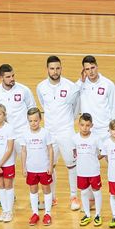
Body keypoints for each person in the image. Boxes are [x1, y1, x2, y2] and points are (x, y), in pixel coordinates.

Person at [35, 55, 81, 209]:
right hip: (49, 133)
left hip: (66, 132)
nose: (55, 71)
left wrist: (67, 122)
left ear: (61, 68)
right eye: (52, 68)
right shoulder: (41, 87)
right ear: (47, 69)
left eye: (57, 68)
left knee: (72, 165)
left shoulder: (71, 87)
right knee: (50, 165)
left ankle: (74, 196)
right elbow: (43, 104)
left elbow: (76, 109)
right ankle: (52, 197)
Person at [21, 107, 55, 226]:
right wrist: (23, 167)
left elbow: (50, 149)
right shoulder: (25, 134)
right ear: (27, 121)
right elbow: (24, 151)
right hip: (31, 168)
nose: (33, 123)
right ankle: (35, 213)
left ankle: (48, 213)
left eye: (35, 120)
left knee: (46, 189)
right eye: (30, 121)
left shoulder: (45, 133)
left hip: (44, 168)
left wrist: (50, 165)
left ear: (40, 119)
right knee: (33, 190)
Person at [78, 55, 115, 146]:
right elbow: (70, 96)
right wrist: (81, 81)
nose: (91, 71)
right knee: (89, 159)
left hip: (105, 130)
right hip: (88, 130)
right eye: (87, 69)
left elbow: (114, 107)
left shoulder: (108, 84)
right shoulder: (80, 85)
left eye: (92, 67)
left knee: (110, 159)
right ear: (84, 71)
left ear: (97, 66)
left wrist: (114, 127)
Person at [0, 64, 34, 145]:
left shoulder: (24, 90)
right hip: (5, 133)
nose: (12, 79)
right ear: (1, 77)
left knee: (27, 158)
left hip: (23, 133)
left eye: (13, 75)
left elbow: (32, 109)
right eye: (8, 77)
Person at [75, 113, 103, 227]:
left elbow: (103, 151)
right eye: (82, 125)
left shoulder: (96, 138)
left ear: (92, 125)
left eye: (87, 125)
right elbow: (74, 152)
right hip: (81, 171)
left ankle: (97, 215)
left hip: (94, 171)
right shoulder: (75, 138)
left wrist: (95, 158)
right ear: (78, 125)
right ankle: (87, 214)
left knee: (96, 191)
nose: (84, 128)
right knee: (84, 192)